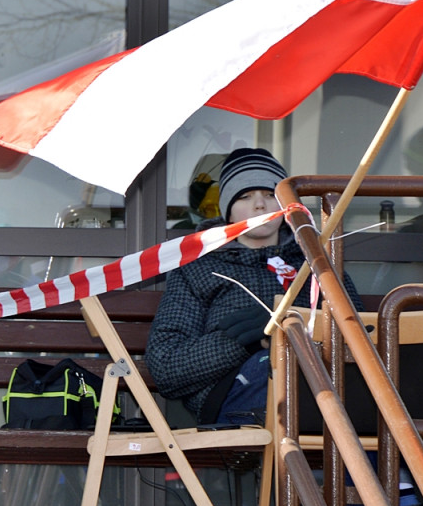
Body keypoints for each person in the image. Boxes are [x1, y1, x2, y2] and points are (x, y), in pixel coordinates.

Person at [146, 147, 363, 426]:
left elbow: (360, 339)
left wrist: (292, 331)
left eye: (271, 194)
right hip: (235, 394)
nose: (260, 205)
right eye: (245, 196)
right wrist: (243, 343)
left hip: (317, 386)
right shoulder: (198, 267)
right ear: (229, 213)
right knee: (276, 372)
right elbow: (166, 368)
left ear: (286, 206)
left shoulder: (315, 261)